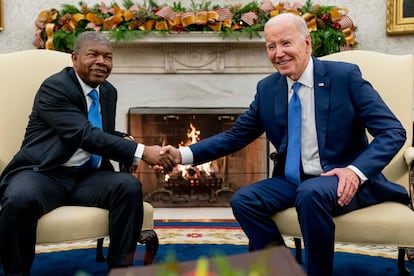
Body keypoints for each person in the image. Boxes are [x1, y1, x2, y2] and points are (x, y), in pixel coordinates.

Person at [161, 13, 411, 276]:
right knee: (244, 200)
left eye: (286, 43)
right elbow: (236, 136)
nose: (278, 53)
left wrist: (355, 172)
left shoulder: (345, 77)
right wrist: (182, 154)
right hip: (294, 180)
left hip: (341, 176)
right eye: (271, 46)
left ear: (307, 43)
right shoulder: (269, 88)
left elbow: (392, 131)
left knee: (311, 193)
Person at [0, 31, 176, 275]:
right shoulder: (55, 87)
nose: (101, 62)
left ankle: (120, 269)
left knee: (128, 186)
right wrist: (144, 151)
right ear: (74, 58)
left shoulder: (108, 92)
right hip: (43, 172)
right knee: (18, 199)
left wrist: (134, 146)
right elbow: (83, 134)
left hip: (86, 177)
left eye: (108, 57)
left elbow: (100, 132)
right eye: (93, 54)